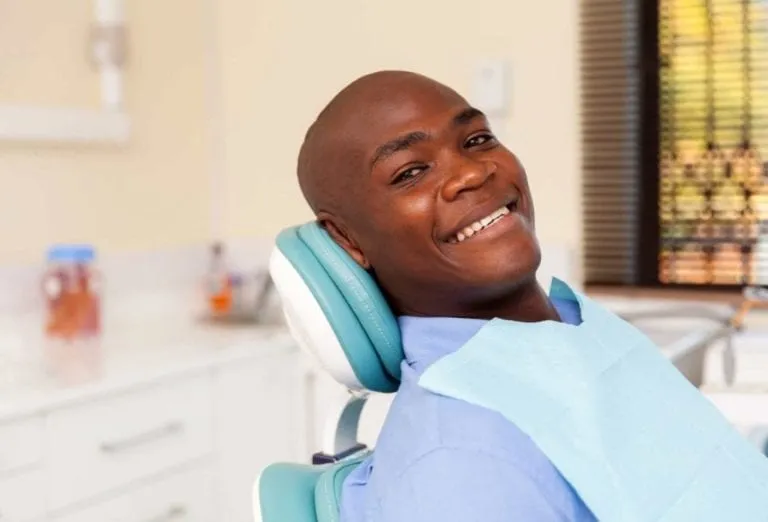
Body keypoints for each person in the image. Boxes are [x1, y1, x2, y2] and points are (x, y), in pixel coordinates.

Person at [297, 70, 596, 521]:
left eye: (477, 139)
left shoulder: (576, 328)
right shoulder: (461, 470)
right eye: (411, 172)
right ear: (347, 240)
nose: (472, 172)